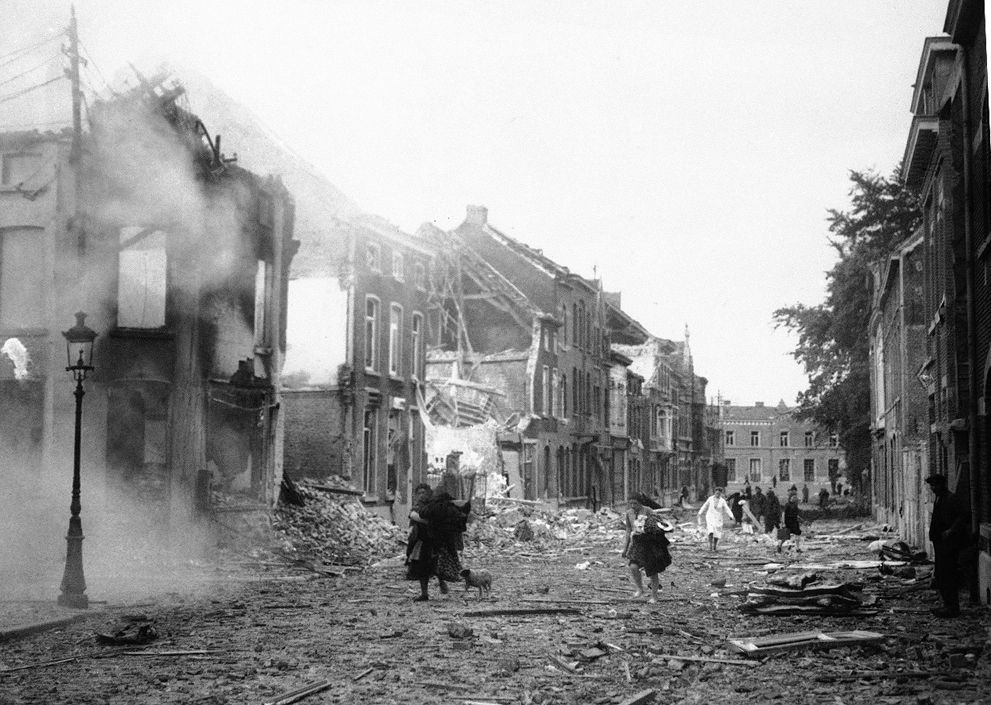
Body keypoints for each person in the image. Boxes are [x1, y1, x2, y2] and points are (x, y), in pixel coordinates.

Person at [406, 488, 469, 602]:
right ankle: (427, 592)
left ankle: (435, 586)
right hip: (426, 540)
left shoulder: (431, 508)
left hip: (433, 541)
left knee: (432, 565)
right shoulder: (435, 508)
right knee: (426, 567)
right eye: (419, 493)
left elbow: (420, 519)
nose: (421, 495)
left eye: (424, 492)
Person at [926, 474, 968, 618]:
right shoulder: (940, 498)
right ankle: (947, 605)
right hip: (940, 543)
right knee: (942, 575)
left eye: (935, 485)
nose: (932, 488)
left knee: (948, 575)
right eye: (931, 485)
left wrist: (951, 531)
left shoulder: (951, 498)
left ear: (941, 485)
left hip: (949, 544)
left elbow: (964, 516)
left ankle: (952, 608)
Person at [622, 494, 672, 603]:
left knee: (652, 570)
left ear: (640, 503)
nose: (633, 505)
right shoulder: (629, 513)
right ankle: (640, 589)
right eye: (631, 503)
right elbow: (628, 530)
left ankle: (654, 595)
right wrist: (625, 548)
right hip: (637, 543)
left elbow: (659, 523)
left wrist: (651, 526)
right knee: (633, 566)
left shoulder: (648, 511)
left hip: (650, 544)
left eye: (635, 503)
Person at [697, 487, 735, 551]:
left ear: (720, 493)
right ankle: (710, 546)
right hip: (710, 516)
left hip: (718, 518)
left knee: (716, 533)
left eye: (719, 493)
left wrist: (731, 516)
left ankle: (714, 546)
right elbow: (705, 505)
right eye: (716, 492)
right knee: (711, 531)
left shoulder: (722, 501)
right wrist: (700, 513)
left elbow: (727, 508)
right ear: (715, 492)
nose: (717, 493)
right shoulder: (710, 499)